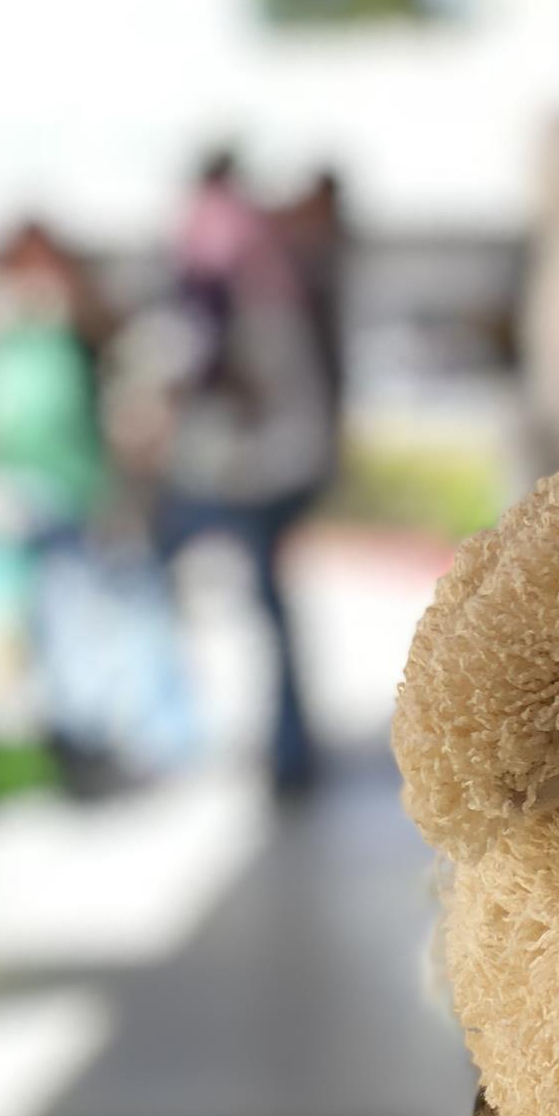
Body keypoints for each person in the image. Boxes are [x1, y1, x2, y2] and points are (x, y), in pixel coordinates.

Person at [148, 152, 337, 797]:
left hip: (244, 468)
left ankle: (266, 746)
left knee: (232, 604)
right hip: (276, 462)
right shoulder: (266, 251)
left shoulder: (219, 246)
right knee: (265, 610)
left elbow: (213, 362)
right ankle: (284, 745)